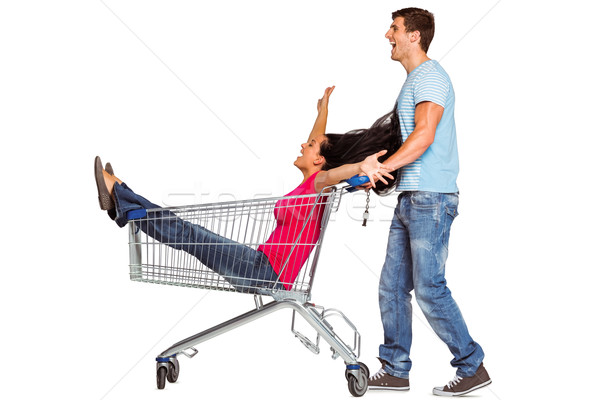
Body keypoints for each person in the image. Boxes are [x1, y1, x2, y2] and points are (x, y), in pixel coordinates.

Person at [94, 86, 401, 292]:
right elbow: (318, 140)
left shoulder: (319, 184)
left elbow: (333, 172)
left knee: (189, 234)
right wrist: (324, 109)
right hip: (262, 266)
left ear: (318, 160)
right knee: (189, 232)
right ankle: (123, 196)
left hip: (265, 271)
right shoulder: (310, 182)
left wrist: (359, 168)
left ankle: (122, 199)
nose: (302, 143)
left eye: (308, 146)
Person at [365, 8, 492, 396]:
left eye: (395, 28)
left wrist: (381, 168)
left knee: (430, 288)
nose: (388, 34)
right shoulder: (414, 80)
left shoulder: (431, 77)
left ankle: (472, 366)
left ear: (415, 36)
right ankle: (395, 368)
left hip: (431, 198)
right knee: (391, 287)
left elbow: (423, 137)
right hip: (413, 197)